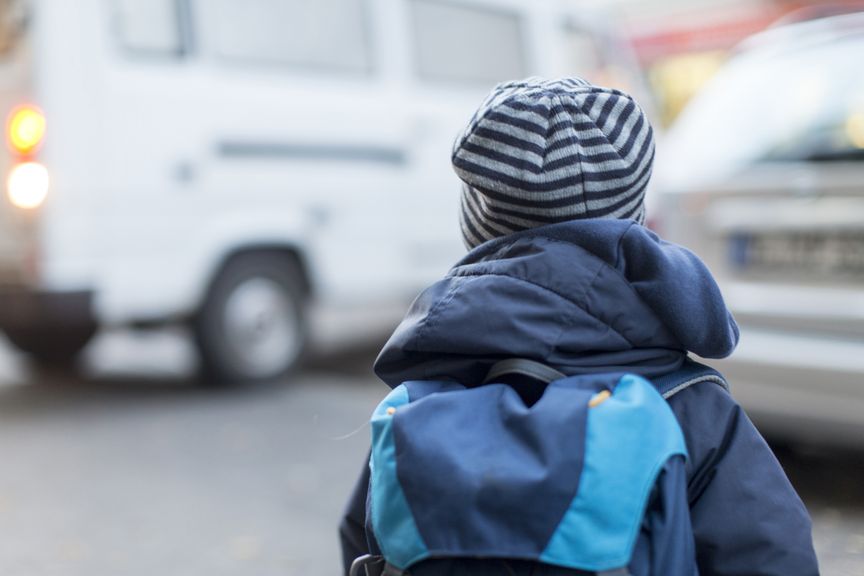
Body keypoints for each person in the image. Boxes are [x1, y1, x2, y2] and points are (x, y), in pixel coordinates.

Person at [339, 77, 819, 576]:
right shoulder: (690, 407)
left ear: (477, 228)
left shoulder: (417, 404)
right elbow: (771, 555)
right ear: (634, 220)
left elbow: (362, 544)